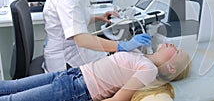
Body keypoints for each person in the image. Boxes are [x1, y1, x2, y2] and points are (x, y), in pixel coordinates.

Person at [0, 43, 191, 101]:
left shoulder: (148, 70)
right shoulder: (142, 54)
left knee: (12, 99)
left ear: (171, 67)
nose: (174, 45)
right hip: (72, 74)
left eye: (177, 51)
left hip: (77, 89)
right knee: (12, 86)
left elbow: (119, 99)